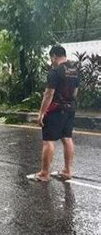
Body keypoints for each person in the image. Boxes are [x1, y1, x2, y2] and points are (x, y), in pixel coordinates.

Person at [34, 45, 80, 182]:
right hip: (70, 108)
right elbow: (75, 91)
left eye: (51, 58)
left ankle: (44, 173)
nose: (51, 61)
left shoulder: (55, 72)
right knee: (67, 138)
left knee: (48, 141)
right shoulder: (75, 70)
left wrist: (41, 113)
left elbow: (49, 94)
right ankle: (67, 170)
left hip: (55, 109)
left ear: (54, 56)